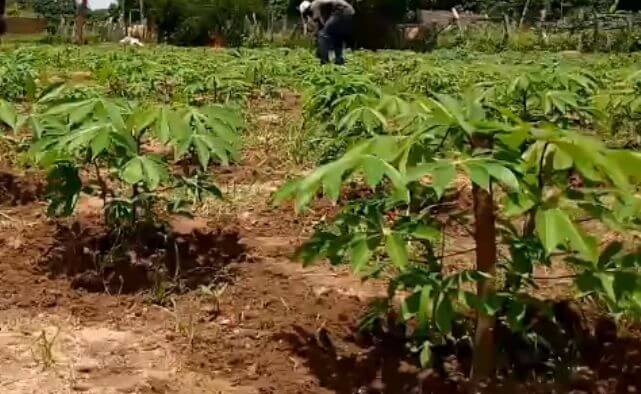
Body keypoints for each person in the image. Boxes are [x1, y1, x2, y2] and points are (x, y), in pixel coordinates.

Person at [299, 0, 355, 65]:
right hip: (349, 11)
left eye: (307, 13)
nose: (309, 15)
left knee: (322, 35)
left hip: (341, 11)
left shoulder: (314, 6)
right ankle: (339, 61)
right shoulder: (321, 5)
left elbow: (320, 24)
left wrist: (319, 42)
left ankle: (324, 61)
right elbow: (325, 23)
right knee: (337, 36)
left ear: (307, 9)